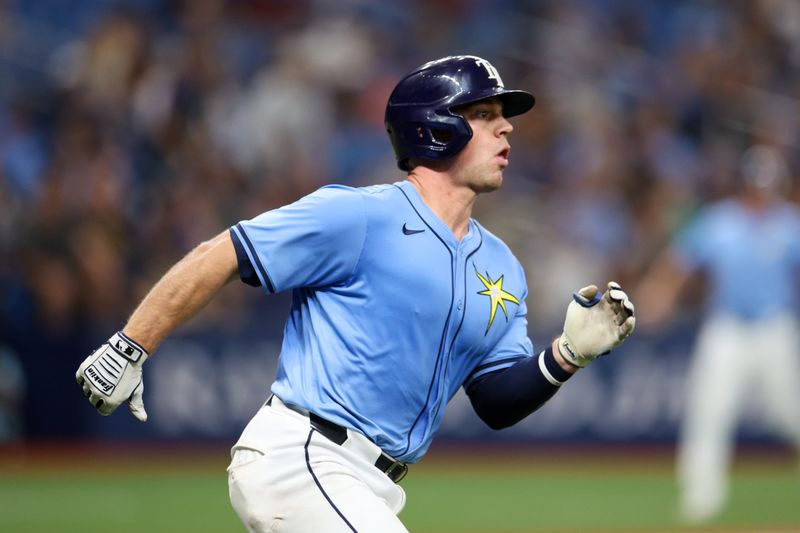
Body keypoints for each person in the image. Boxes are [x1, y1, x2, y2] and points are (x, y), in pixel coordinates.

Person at [76, 55, 635, 533]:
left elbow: (494, 399)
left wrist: (566, 355)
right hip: (301, 459)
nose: (506, 128)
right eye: (485, 114)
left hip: (375, 486)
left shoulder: (504, 268)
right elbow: (220, 254)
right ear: (435, 128)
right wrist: (132, 344)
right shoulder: (359, 214)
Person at [636, 144, 800, 524]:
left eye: (769, 184)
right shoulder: (720, 221)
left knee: (788, 411)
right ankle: (702, 496)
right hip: (727, 328)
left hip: (775, 328)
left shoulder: (790, 224)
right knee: (709, 411)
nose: (762, 191)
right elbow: (679, 261)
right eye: (758, 183)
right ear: (746, 183)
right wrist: (658, 295)